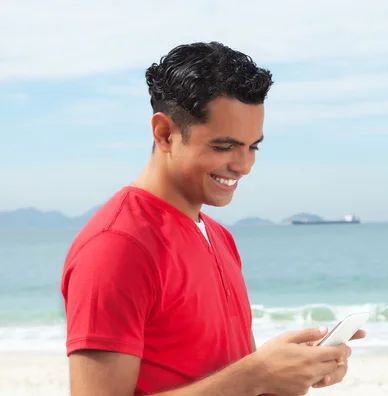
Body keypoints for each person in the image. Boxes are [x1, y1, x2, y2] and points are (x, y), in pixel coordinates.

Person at [60, 41, 366, 396]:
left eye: (253, 146)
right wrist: (257, 373)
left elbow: (233, 383)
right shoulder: (116, 247)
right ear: (164, 133)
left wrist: (286, 374)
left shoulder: (219, 236)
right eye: (224, 146)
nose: (244, 165)